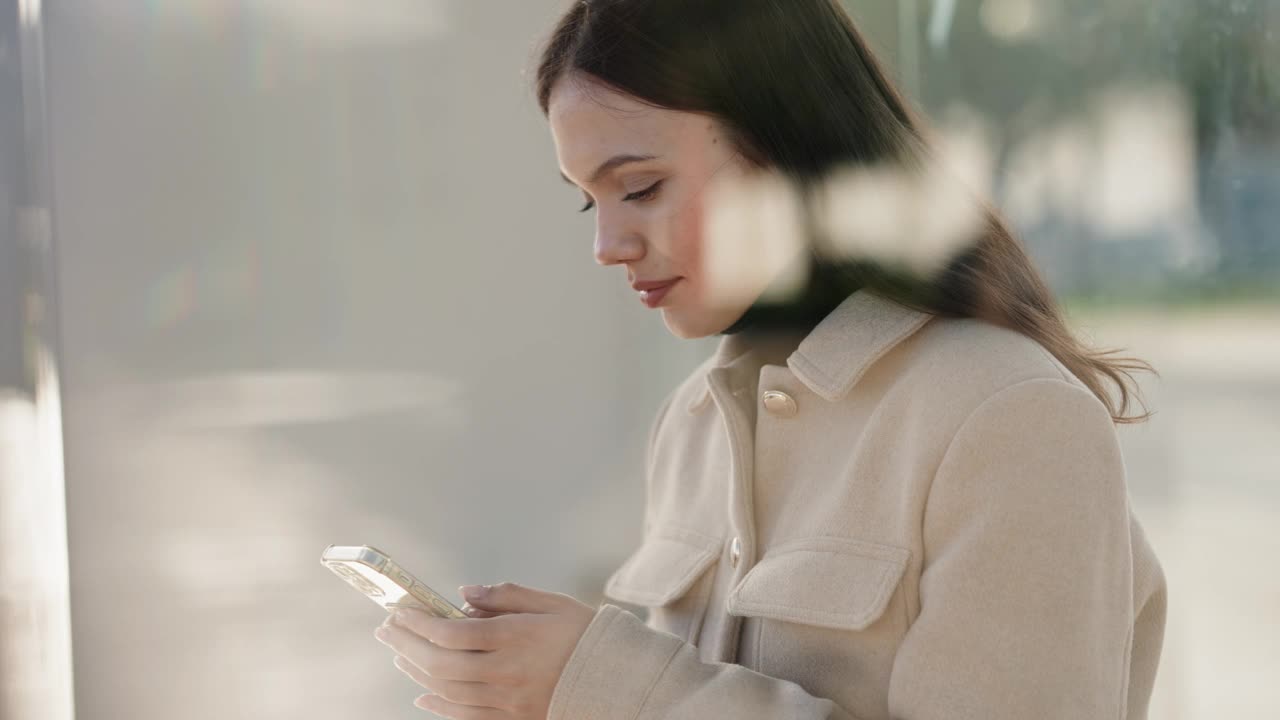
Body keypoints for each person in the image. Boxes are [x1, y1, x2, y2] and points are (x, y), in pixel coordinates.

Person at [372, 1, 1168, 718]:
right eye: (590, 199)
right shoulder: (690, 426)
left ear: (788, 149)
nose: (606, 246)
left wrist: (610, 686)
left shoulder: (1008, 416)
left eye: (640, 187)